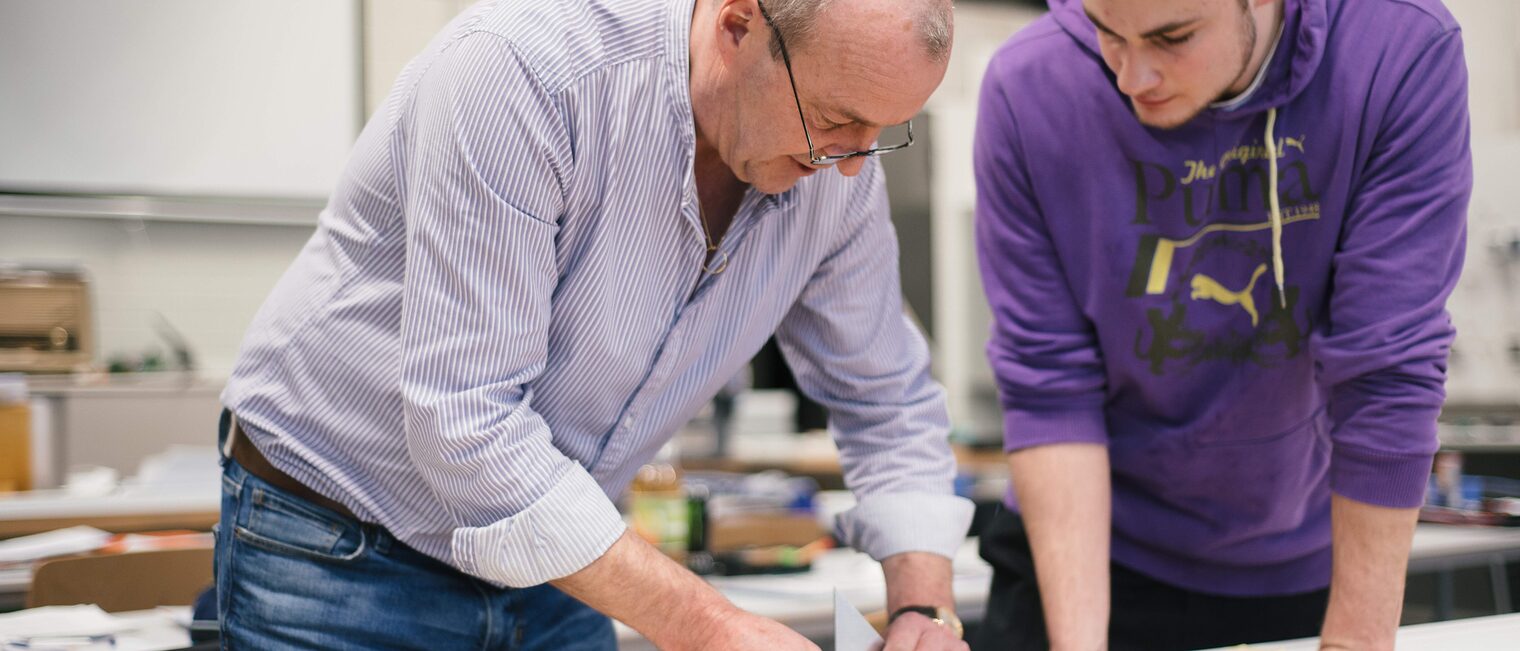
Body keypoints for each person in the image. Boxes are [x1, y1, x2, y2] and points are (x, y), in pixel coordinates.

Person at [213, 0, 974, 649]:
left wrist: (921, 605)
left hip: (553, 559)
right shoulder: (523, 72)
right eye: (839, 119)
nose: (850, 163)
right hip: (338, 540)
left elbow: (888, 401)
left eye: (883, 130)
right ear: (739, 23)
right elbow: (466, 423)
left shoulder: (838, 168)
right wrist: (709, 624)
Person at [971, 0, 1470, 649]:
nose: (1131, 76)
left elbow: (1387, 372)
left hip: (1301, 564)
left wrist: (1356, 639)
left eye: (1171, 38)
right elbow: (1050, 389)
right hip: (1086, 558)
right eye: (1106, 33)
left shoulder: (1398, 51)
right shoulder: (1031, 84)